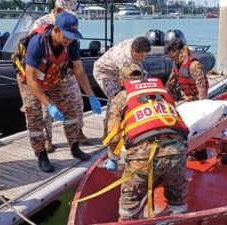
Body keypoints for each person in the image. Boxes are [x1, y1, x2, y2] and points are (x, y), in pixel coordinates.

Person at [14, 12, 100, 173]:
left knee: (71, 109)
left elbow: (79, 71)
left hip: (54, 78)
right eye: (66, 35)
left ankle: (74, 147)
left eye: (72, 36)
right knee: (34, 117)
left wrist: (92, 95)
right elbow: (31, 79)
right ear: (56, 30)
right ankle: (41, 155)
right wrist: (49, 105)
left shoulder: (72, 44)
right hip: (30, 82)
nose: (69, 39)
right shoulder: (38, 43)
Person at [104, 64, 189, 221]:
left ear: (122, 80)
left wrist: (112, 159)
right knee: (177, 197)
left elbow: (113, 135)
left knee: (129, 203)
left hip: (142, 158)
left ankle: (127, 220)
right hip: (177, 152)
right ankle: (176, 216)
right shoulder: (163, 93)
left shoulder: (122, 97)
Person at [30, 0, 100, 153]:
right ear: (57, 10)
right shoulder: (40, 27)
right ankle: (46, 140)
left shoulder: (71, 34)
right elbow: (32, 66)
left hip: (61, 70)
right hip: (40, 71)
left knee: (74, 102)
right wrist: (47, 101)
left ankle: (76, 133)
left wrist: (91, 96)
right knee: (43, 109)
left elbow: (78, 69)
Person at [93, 37, 151, 137]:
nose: (143, 59)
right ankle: (109, 132)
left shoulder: (136, 42)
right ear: (133, 51)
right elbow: (127, 83)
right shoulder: (124, 59)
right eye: (141, 56)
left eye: (145, 56)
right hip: (105, 72)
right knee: (117, 99)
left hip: (115, 67)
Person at [164, 38, 209, 160]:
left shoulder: (194, 65)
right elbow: (171, 81)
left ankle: (201, 152)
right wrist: (163, 95)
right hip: (188, 98)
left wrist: (202, 104)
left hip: (197, 99)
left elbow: (201, 86)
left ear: (178, 51)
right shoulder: (177, 63)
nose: (171, 59)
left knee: (199, 126)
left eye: (172, 55)